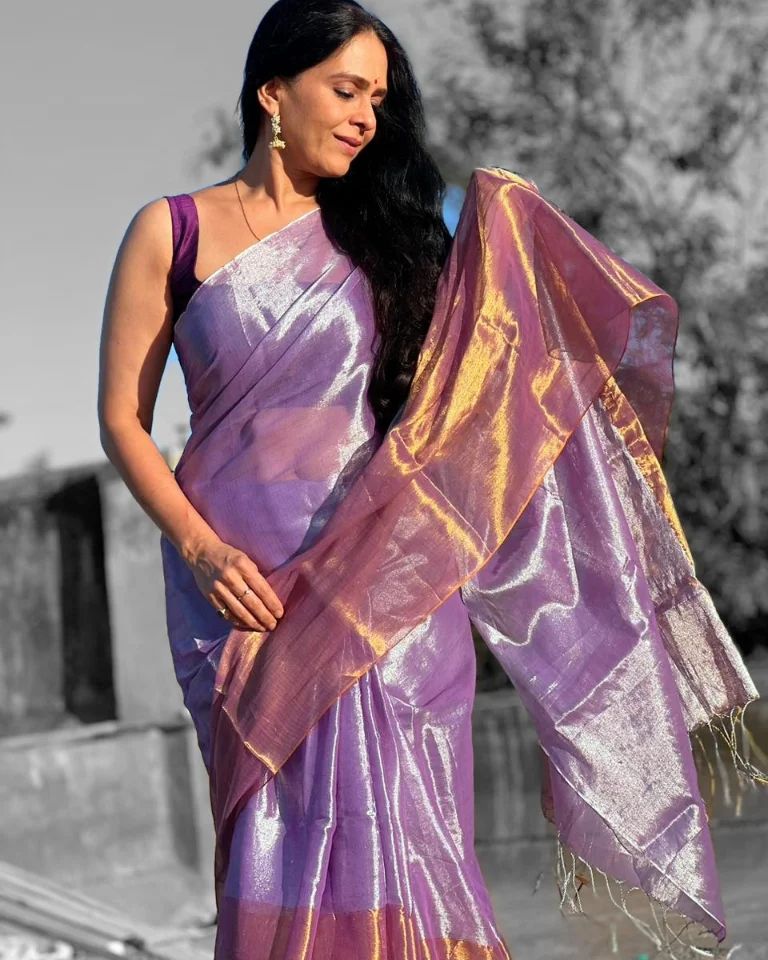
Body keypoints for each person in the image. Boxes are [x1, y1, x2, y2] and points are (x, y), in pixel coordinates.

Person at [97, 2, 766, 958]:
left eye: (378, 98)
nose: (366, 116)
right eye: (346, 90)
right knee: (275, 858)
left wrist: (510, 229)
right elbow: (121, 419)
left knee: (413, 857)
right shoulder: (173, 231)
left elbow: (498, 382)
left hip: (389, 595)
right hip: (240, 599)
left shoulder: (395, 239)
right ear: (274, 92)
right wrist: (201, 550)